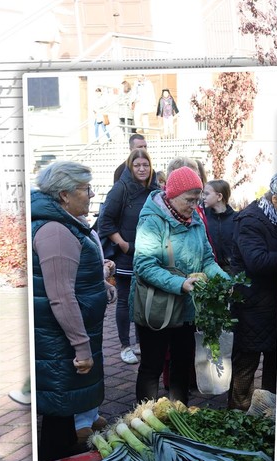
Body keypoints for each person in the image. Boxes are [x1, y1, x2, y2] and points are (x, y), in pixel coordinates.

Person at [30, 161, 113, 461]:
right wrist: (82, 348)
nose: (91, 194)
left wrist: (101, 287)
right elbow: (62, 297)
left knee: (62, 408)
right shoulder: (55, 231)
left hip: (60, 338)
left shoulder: (63, 224)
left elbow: (74, 282)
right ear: (64, 195)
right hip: (59, 342)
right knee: (59, 409)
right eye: (85, 189)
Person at [131, 166, 229, 405]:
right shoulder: (151, 221)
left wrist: (224, 279)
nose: (195, 205)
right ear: (172, 195)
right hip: (157, 307)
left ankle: (179, 410)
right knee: (152, 365)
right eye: (189, 199)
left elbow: (207, 259)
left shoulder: (195, 218)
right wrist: (181, 283)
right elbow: (144, 265)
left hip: (186, 307)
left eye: (198, 199)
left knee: (182, 361)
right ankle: (145, 416)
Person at [96, 147, 160, 365]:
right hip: (126, 256)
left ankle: (141, 343)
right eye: (137, 165)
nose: (142, 169)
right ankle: (125, 345)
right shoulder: (120, 189)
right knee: (124, 300)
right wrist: (122, 244)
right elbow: (105, 221)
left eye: (145, 165)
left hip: (149, 255)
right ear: (130, 167)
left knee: (144, 301)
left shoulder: (155, 190)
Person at [226, 173, 277, 411]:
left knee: (273, 365)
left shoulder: (276, 217)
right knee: (246, 366)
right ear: (275, 198)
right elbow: (257, 261)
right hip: (252, 305)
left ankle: (268, 415)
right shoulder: (250, 219)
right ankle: (236, 417)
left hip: (271, 303)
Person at [196, 179, 238, 271]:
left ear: (219, 196)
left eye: (207, 194)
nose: (203, 197)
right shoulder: (202, 218)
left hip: (233, 270)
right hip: (211, 268)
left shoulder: (236, 219)